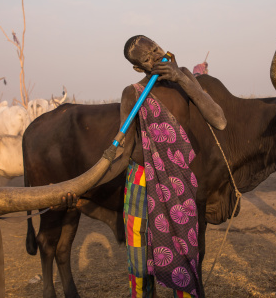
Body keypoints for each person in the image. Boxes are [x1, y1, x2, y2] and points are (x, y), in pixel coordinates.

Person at [58, 35, 226, 297]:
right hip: (140, 181)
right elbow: (123, 156)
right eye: (147, 58)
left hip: (179, 183)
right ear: (139, 67)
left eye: (156, 49)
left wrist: (182, 78)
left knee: (184, 257)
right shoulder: (132, 93)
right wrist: (85, 186)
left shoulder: (183, 78)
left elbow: (219, 120)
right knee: (139, 263)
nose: (156, 56)